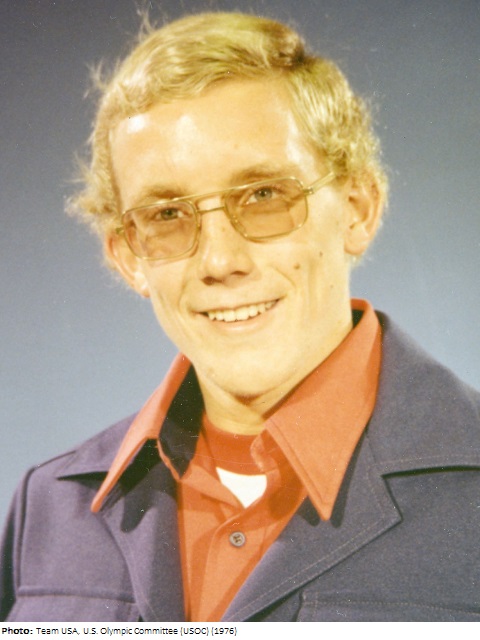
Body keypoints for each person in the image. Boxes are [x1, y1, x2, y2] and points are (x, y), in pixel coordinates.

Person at [1, 11, 479, 623]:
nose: (221, 261)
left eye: (264, 196)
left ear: (358, 209)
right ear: (127, 257)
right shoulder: (51, 508)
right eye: (168, 215)